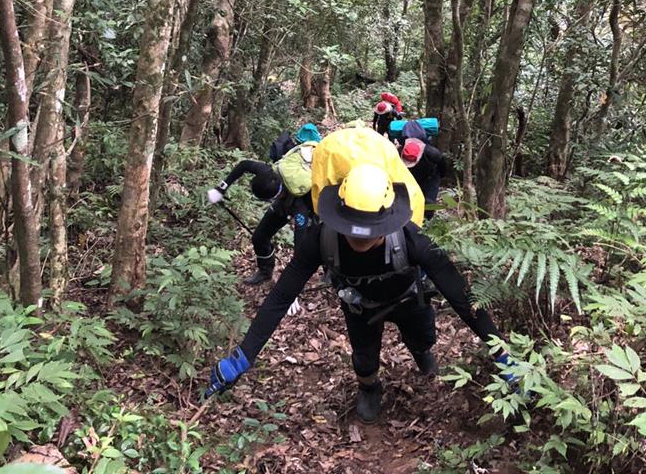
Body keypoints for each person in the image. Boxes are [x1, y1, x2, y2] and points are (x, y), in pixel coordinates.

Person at [204, 126, 509, 424]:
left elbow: (458, 293)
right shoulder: (320, 239)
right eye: (351, 228)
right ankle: (369, 387)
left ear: (388, 216)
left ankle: (421, 353)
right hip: (359, 305)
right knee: (364, 357)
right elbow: (281, 296)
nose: (360, 239)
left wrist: (500, 350)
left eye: (371, 231)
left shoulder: (412, 239)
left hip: (408, 297)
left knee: (423, 337)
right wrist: (243, 355)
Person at [207, 158, 314, 287]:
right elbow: (244, 165)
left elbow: (299, 249)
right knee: (259, 237)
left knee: (313, 243)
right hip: (283, 203)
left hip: (309, 205)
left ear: (273, 197)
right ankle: (265, 272)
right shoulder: (267, 172)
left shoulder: (300, 208)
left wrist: (292, 287)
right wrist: (220, 189)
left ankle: (329, 271)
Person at [400, 136, 452, 212]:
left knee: (429, 201)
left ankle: (427, 220)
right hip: (413, 176)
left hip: (431, 176)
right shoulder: (399, 151)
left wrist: (439, 177)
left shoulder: (433, 154)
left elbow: (443, 168)